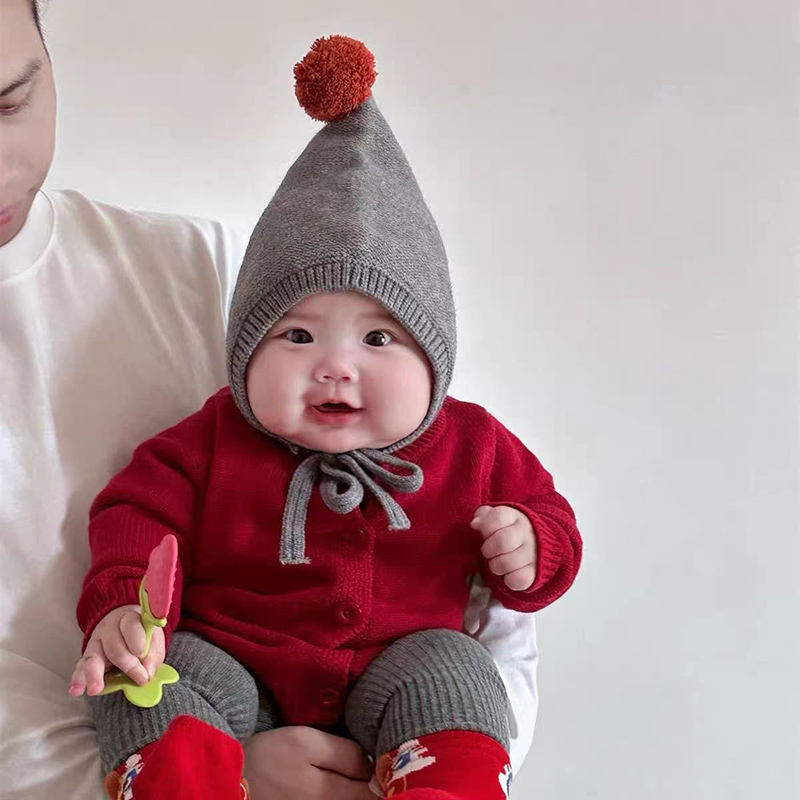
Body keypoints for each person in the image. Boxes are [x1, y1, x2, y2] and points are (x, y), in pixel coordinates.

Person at [0, 4, 545, 799]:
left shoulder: (471, 442)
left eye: (9, 101)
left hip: (402, 674)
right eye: (296, 338)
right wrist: (125, 611)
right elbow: (136, 518)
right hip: (224, 668)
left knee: (454, 671)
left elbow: (525, 577)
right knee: (146, 682)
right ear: (249, 353)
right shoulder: (215, 437)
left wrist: (531, 548)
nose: (335, 369)